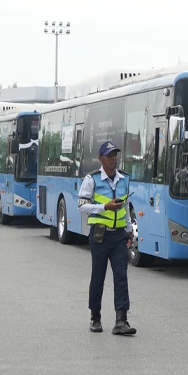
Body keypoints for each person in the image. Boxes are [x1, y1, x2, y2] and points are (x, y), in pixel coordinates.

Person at [77, 141, 137, 335]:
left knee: (121, 277)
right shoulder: (92, 179)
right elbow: (82, 206)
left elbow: (125, 205)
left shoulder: (124, 179)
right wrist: (104, 207)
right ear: (100, 159)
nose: (114, 159)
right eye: (109, 156)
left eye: (115, 155)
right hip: (100, 235)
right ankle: (95, 317)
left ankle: (121, 320)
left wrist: (129, 229)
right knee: (98, 276)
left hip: (119, 235)